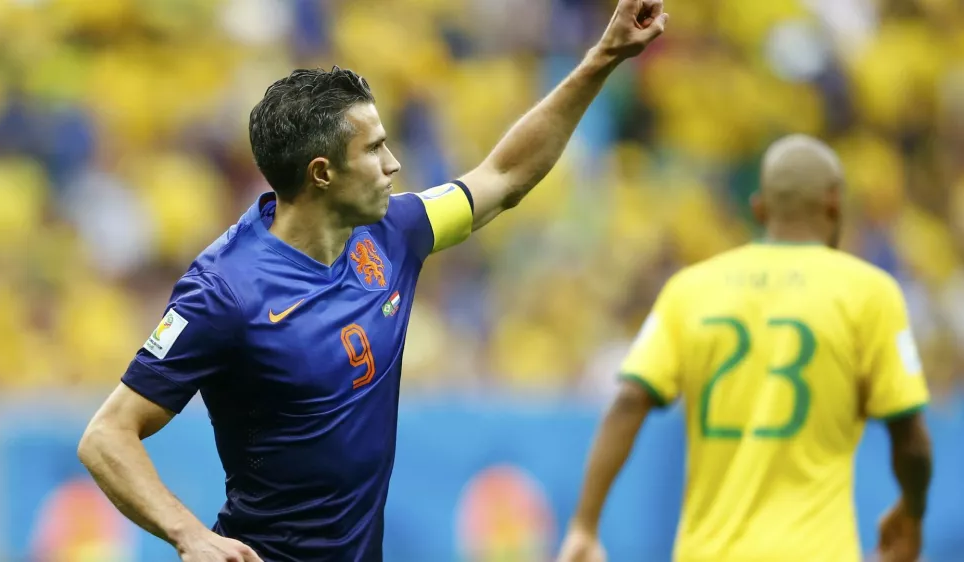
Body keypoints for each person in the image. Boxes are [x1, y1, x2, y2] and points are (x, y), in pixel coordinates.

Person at [75, 2, 669, 561]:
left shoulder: (392, 233)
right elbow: (107, 436)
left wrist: (603, 58)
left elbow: (506, 175)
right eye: (377, 149)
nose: (395, 165)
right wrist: (190, 536)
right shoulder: (224, 291)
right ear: (323, 172)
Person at [558, 135, 933, 562]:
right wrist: (911, 510)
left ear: (759, 208)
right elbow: (910, 435)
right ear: (834, 204)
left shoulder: (690, 289)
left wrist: (584, 525)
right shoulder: (869, 294)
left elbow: (628, 401)